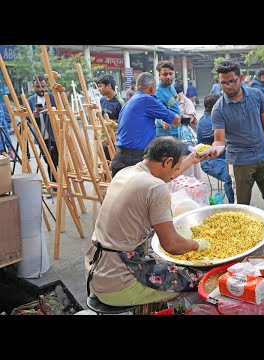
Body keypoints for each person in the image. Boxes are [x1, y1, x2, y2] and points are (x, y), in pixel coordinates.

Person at [85, 137, 212, 307]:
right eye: (174, 167)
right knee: (201, 280)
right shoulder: (155, 187)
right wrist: (199, 244)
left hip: (97, 274)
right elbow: (172, 245)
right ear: (167, 161)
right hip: (120, 285)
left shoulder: (126, 172)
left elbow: (166, 177)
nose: (174, 173)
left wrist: (189, 160)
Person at [210, 59, 264, 254]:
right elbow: (219, 140)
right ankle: (245, 246)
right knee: (242, 205)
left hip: (263, 157)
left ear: (241, 79)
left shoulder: (256, 95)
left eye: (232, 81)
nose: (228, 86)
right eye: (223, 83)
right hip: (239, 162)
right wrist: (211, 150)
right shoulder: (219, 108)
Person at [111, 72, 180, 177]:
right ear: (152, 88)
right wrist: (178, 117)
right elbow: (175, 121)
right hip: (135, 158)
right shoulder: (147, 99)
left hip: (120, 156)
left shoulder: (129, 102)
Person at [197, 94, 235, 203]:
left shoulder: (212, 118)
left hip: (224, 157)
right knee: (229, 178)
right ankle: (234, 206)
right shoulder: (208, 122)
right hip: (211, 160)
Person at [27, 75, 58, 183]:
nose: (40, 89)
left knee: (59, 161)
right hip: (41, 136)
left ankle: (64, 187)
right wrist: (34, 114)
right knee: (49, 162)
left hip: (55, 135)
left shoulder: (53, 96)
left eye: (43, 86)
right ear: (33, 87)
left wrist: (51, 110)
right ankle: (54, 186)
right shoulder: (31, 100)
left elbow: (63, 111)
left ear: (46, 85)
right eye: (37, 87)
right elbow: (27, 119)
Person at [96, 74, 125, 161]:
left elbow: (123, 126)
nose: (99, 89)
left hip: (114, 141)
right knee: (105, 164)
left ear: (109, 86)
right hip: (103, 139)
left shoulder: (120, 103)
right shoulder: (102, 100)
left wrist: (111, 138)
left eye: (101, 86)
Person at [155, 61, 182, 138]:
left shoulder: (171, 86)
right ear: (159, 75)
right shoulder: (158, 91)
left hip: (176, 130)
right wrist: (161, 122)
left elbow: (173, 103)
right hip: (166, 134)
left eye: (170, 74)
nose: (168, 77)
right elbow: (157, 111)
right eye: (165, 74)